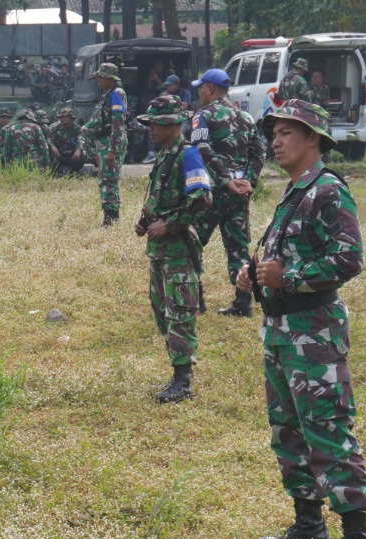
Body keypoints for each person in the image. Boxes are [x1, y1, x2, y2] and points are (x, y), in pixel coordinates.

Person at [234, 100, 366, 539]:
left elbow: (348, 260)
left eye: (286, 133)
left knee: (326, 427)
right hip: (280, 328)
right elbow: (284, 259)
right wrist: (256, 275)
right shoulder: (295, 191)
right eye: (273, 134)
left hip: (313, 330)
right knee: (288, 429)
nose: (275, 142)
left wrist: (287, 277)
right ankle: (308, 523)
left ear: (313, 139)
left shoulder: (328, 190)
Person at [134, 95, 212, 404]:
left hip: (177, 249)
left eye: (156, 123)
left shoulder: (187, 155)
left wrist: (169, 225)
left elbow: (202, 199)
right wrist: (145, 221)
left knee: (179, 311)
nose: (151, 128)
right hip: (159, 250)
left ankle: (183, 381)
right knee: (161, 309)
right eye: (150, 123)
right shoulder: (164, 155)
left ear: (173, 125)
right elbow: (159, 197)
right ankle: (177, 372)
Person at [188, 67, 264, 317]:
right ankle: (243, 303)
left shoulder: (202, 115)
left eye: (201, 87)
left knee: (193, 241)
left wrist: (223, 180)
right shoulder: (246, 117)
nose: (199, 92)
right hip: (240, 193)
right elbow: (259, 152)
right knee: (238, 247)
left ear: (210, 88)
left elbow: (202, 149)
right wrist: (248, 181)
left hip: (212, 192)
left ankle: (195, 299)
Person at [80, 62, 128, 226]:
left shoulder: (117, 94)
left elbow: (117, 124)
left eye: (100, 77)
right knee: (105, 179)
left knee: (109, 180)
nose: (98, 80)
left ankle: (111, 219)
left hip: (111, 141)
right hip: (104, 141)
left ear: (109, 78)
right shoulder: (108, 93)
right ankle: (110, 216)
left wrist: (113, 150)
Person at [48, 107, 84, 176]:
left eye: (67, 117)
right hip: (58, 153)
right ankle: (56, 171)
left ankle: (73, 172)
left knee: (83, 154)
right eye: (62, 117)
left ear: (71, 118)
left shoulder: (77, 127)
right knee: (48, 151)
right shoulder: (53, 127)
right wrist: (52, 146)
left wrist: (78, 149)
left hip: (71, 154)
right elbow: (48, 139)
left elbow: (81, 139)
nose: (64, 119)